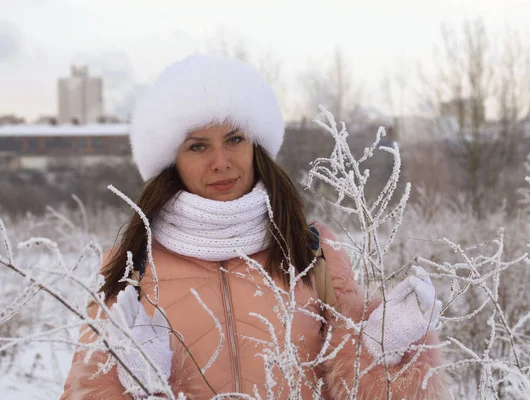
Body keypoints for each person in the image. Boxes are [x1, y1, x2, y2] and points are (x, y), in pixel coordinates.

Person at [60, 54, 449, 399]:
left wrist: (384, 350)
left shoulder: (313, 252)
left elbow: (354, 389)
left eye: (234, 139)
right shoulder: (134, 266)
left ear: (256, 146)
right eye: (198, 146)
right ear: (171, 160)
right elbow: (84, 389)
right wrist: (141, 387)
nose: (222, 161)